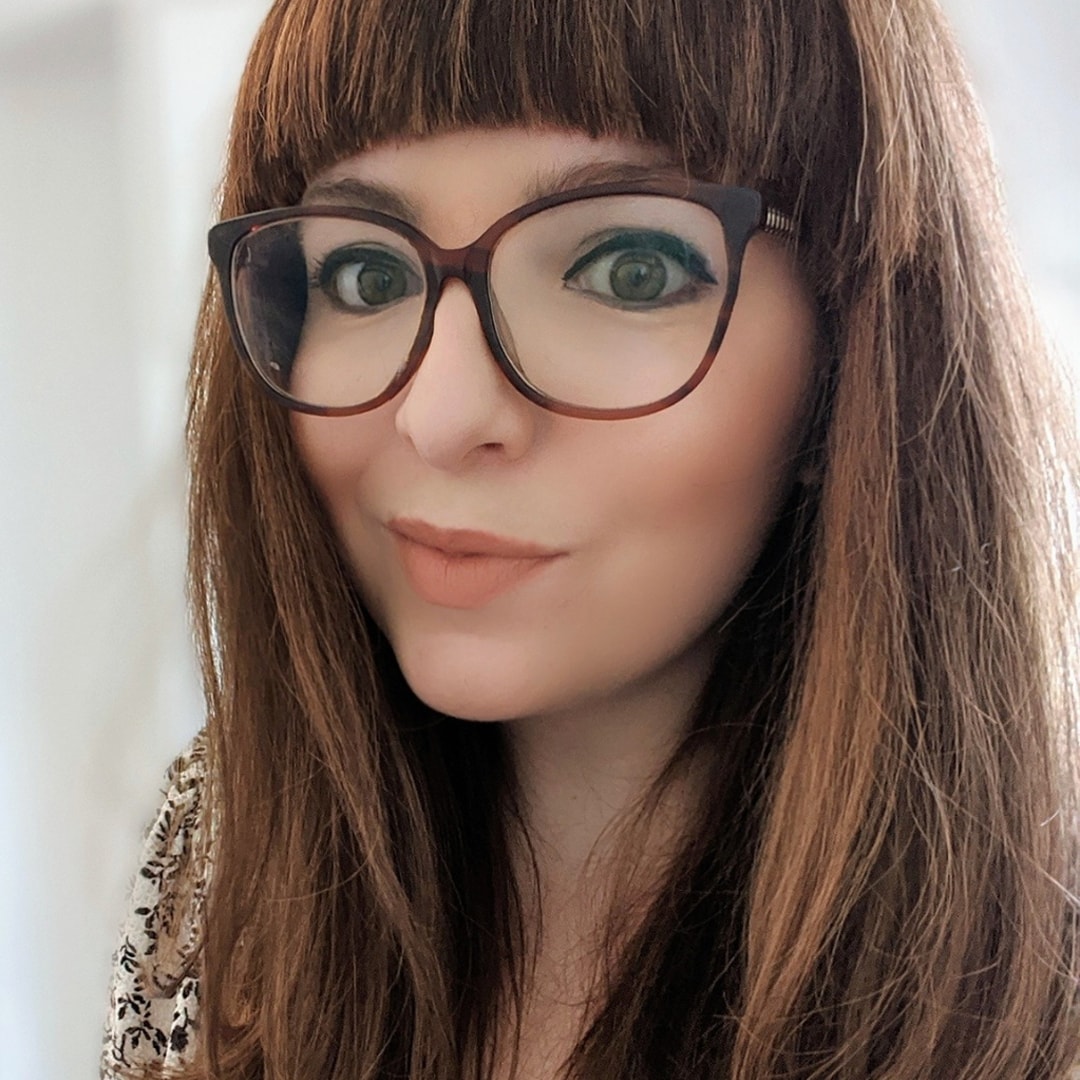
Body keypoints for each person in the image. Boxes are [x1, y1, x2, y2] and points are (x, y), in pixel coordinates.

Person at [101, 0, 1080, 1076]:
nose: (441, 415)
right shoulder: (222, 863)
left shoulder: (1047, 992)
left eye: (628, 270)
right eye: (365, 276)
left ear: (849, 354)